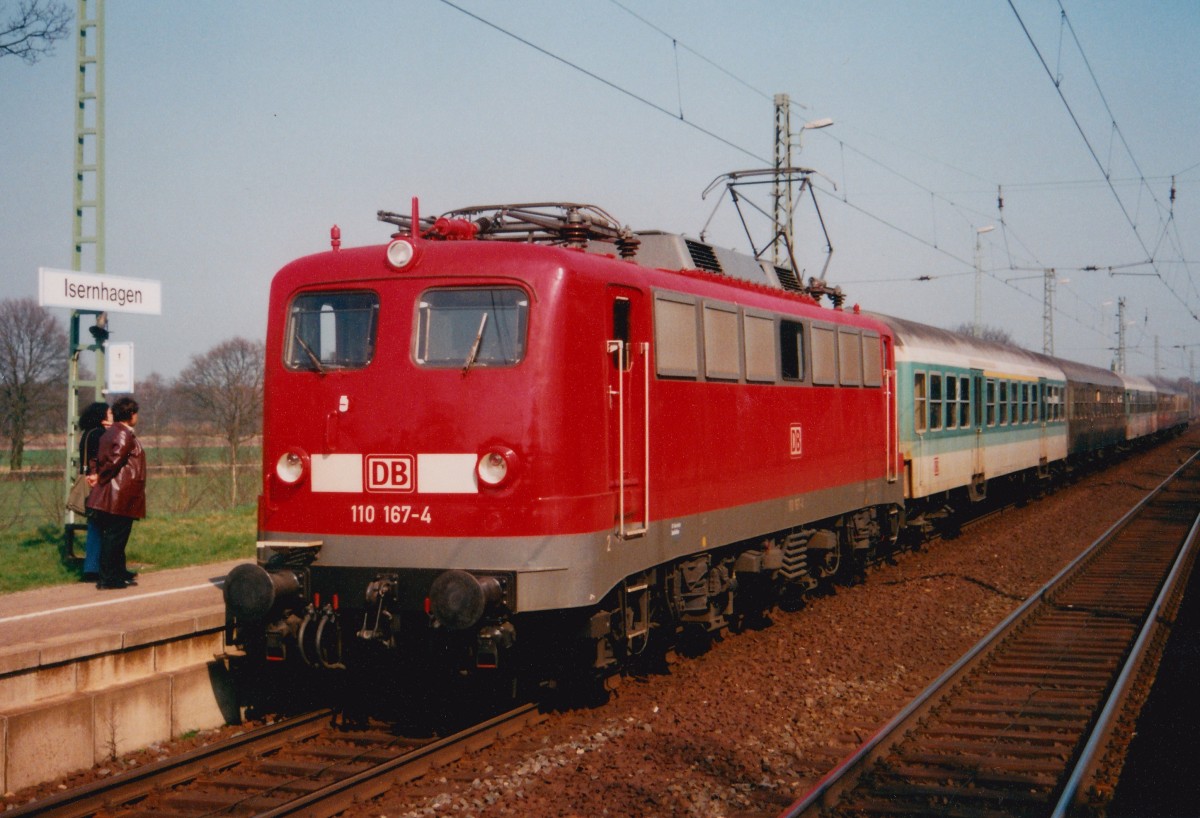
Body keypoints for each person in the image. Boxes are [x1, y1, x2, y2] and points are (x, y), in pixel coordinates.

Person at [87, 396, 146, 590]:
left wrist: (96, 474)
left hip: (114, 493)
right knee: (115, 536)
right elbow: (114, 461)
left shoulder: (111, 432)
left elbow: (97, 457)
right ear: (130, 415)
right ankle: (108, 578)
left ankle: (117, 572)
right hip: (119, 494)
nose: (137, 416)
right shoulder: (123, 434)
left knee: (115, 536)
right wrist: (101, 477)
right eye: (135, 412)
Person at [76, 401, 112, 582]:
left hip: (86, 481)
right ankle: (100, 568)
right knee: (104, 527)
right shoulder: (100, 434)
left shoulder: (87, 434)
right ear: (102, 416)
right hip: (97, 483)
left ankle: (90, 567)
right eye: (109, 413)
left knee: (94, 525)